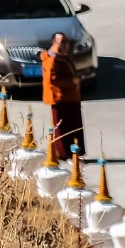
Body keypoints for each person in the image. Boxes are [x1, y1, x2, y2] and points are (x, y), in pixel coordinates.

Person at [40, 31, 85, 161]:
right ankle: (66, 154)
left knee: (74, 126)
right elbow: (52, 81)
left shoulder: (61, 56)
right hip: (60, 98)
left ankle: (76, 152)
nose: (66, 45)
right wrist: (72, 82)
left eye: (67, 42)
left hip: (70, 97)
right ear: (54, 43)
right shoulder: (52, 59)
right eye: (63, 43)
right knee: (64, 128)